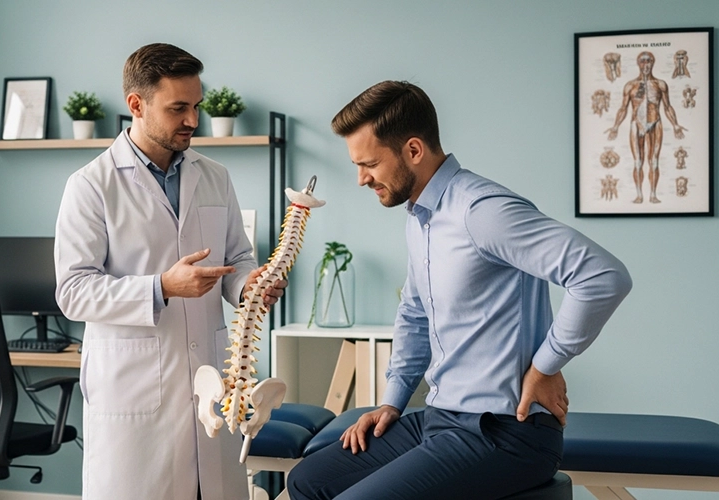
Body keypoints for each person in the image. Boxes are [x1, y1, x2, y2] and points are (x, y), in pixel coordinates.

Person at [287, 81, 632, 500]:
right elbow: (414, 313)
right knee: (308, 480)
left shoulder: (483, 211)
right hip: (441, 417)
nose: (361, 179)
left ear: (413, 150)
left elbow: (601, 275)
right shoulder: (420, 215)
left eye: (370, 164)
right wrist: (392, 402)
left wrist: (546, 365)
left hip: (506, 432)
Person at [54, 43, 286, 500]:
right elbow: (73, 290)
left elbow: (237, 258)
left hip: (212, 387)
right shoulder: (90, 186)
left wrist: (249, 287)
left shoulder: (215, 176)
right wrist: (161, 287)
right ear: (136, 105)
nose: (192, 120)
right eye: (178, 108)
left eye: (196, 106)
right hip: (136, 393)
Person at [605, 51, 686, 204]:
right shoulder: (630, 85)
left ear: (653, 63)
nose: (646, 64)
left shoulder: (660, 84)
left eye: (648, 61)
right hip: (636, 123)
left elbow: (668, 107)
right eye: (642, 61)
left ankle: (653, 194)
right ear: (638, 63)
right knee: (638, 162)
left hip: (655, 122)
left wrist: (675, 125)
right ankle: (639, 194)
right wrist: (615, 126)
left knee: (654, 161)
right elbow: (623, 108)